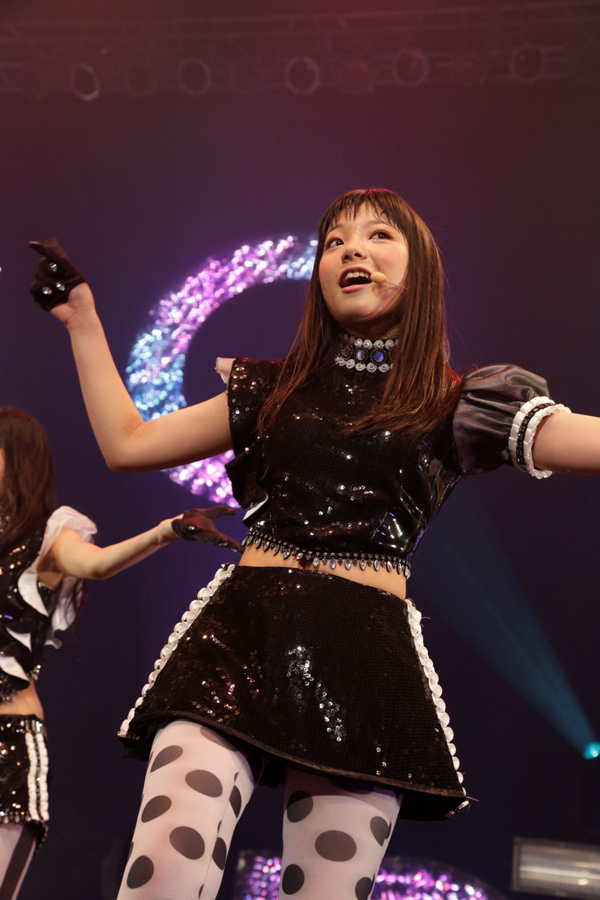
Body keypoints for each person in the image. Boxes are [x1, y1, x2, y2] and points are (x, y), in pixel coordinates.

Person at [28, 189, 600, 900]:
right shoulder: (271, 390)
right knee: (166, 871)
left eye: (378, 235)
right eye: (334, 241)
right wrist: (83, 321)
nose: (352, 248)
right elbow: (128, 443)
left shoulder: (460, 404)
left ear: (421, 270)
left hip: (364, 661)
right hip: (238, 639)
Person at [0, 406, 240, 900]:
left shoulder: (48, 538)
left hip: (6, 743)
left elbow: (98, 564)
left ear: (15, 458)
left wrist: (167, 530)